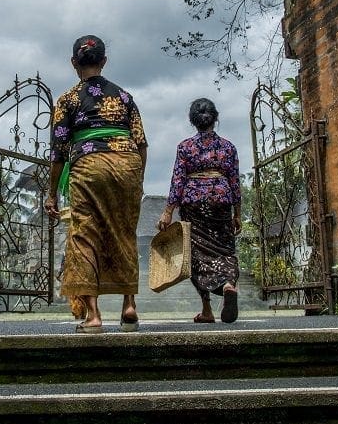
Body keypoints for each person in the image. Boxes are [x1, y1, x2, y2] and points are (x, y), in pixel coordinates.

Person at [44, 35, 148, 333]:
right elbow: (141, 143)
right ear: (103, 61)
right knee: (124, 232)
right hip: (127, 163)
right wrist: (137, 180)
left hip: (89, 167)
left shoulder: (67, 100)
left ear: (74, 63)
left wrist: (52, 194)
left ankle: (93, 315)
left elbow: (59, 152)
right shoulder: (125, 97)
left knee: (84, 235)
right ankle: (129, 306)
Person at [157, 98, 243, 324]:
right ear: (215, 118)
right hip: (221, 201)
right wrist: (237, 213)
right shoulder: (228, 147)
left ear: (193, 121)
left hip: (193, 202)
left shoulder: (185, 147)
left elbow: (178, 181)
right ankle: (227, 284)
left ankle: (207, 309)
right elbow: (234, 182)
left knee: (196, 254)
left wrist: (168, 211)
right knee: (224, 249)